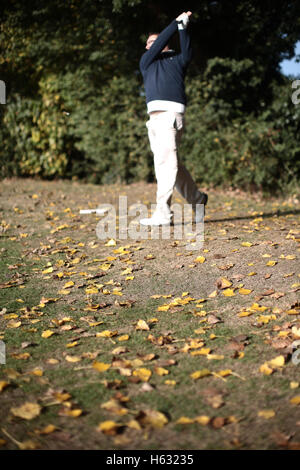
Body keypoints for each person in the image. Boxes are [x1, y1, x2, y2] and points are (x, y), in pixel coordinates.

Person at [139, 11, 208, 226]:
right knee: (172, 165)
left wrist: (181, 28)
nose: (154, 44)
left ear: (167, 43)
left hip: (171, 116)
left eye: (158, 41)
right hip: (154, 119)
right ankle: (198, 199)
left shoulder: (177, 61)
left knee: (165, 164)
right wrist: (175, 22)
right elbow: (157, 43)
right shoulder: (147, 61)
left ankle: (163, 213)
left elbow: (187, 53)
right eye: (151, 42)